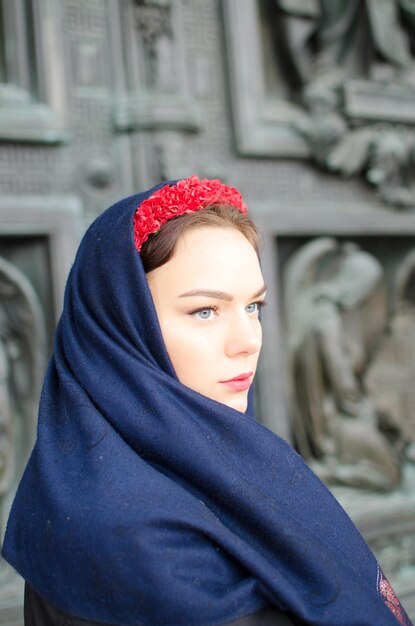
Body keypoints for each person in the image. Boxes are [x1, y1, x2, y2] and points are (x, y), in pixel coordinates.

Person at [1, 176, 412, 626]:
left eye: (253, 306)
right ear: (121, 326)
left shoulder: (217, 459)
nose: (249, 341)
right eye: (205, 311)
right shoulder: (137, 544)